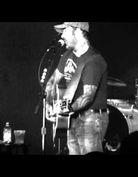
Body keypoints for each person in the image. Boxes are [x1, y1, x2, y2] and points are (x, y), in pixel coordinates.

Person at [45, 22, 109, 155]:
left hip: (91, 118)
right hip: (72, 117)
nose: (61, 35)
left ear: (78, 32)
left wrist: (64, 109)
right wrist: (49, 104)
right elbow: (52, 81)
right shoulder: (67, 56)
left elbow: (87, 96)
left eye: (65, 31)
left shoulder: (94, 60)